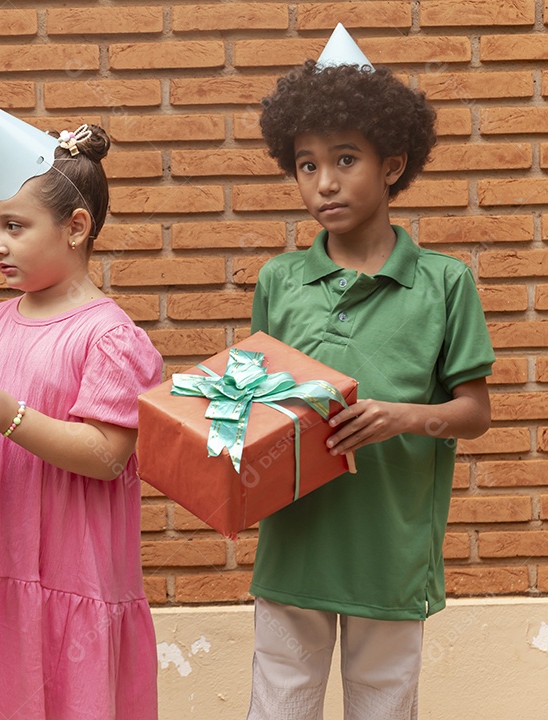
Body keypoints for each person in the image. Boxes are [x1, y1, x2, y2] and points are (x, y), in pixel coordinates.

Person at [246, 25, 494, 719]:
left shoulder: (446, 284)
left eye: (346, 158)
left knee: (384, 709)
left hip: (390, 549)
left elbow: (475, 413)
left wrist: (401, 417)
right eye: (305, 164)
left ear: (392, 163)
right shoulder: (279, 280)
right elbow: (258, 402)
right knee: (279, 708)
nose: (324, 182)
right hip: (293, 545)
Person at [0, 94, 163, 720]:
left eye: (15, 226)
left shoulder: (109, 338)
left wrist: (13, 418)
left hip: (72, 573)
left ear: (77, 227)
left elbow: (109, 455)